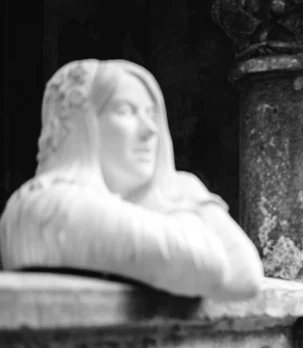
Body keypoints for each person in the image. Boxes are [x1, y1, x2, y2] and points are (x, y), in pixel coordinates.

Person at [0, 59, 264, 300]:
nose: (151, 130)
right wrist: (182, 200)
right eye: (126, 110)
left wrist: (179, 192)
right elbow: (208, 266)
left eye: (151, 114)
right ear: (83, 123)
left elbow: (247, 277)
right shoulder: (51, 203)